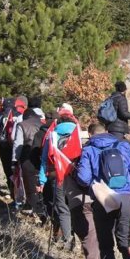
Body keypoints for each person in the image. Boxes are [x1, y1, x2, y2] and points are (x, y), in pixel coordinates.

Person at [76, 118, 130, 259]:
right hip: (126, 198)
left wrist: (94, 187)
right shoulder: (123, 145)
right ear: (107, 131)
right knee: (125, 241)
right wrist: (128, 188)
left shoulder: (89, 149)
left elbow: (83, 178)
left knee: (105, 246)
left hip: (102, 200)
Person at [65, 123, 105, 259]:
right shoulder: (98, 153)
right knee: (99, 237)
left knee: (89, 237)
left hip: (80, 201)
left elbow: (80, 180)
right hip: (102, 198)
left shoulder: (72, 155)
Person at [39, 104, 78, 247]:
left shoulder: (52, 135)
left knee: (62, 207)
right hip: (76, 176)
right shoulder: (79, 135)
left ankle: (68, 239)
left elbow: (44, 160)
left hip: (57, 175)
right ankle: (79, 237)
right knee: (76, 207)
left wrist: (42, 180)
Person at [12, 101, 46, 217]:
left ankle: (36, 211)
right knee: (41, 184)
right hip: (42, 157)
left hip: (27, 158)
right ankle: (44, 210)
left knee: (30, 186)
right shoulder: (43, 124)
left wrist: (14, 161)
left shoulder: (22, 125)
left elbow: (18, 144)